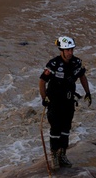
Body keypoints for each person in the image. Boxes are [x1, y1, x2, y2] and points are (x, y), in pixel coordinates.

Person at [38, 35, 92, 169]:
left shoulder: (77, 62)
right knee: (55, 129)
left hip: (68, 101)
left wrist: (88, 93)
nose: (70, 53)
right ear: (61, 51)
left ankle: (63, 154)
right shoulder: (53, 64)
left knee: (66, 129)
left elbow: (82, 76)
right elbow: (42, 82)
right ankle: (54, 156)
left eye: (72, 50)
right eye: (67, 50)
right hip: (55, 102)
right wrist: (44, 98)